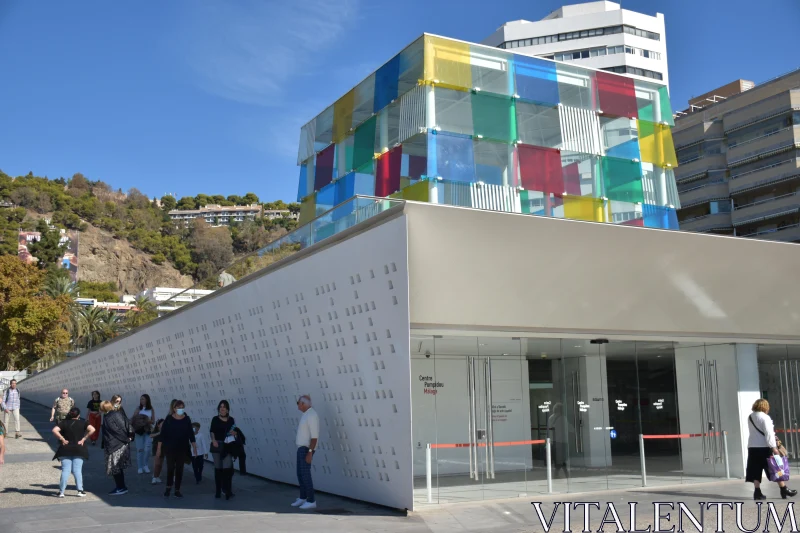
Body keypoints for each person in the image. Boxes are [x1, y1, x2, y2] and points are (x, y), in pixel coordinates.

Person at [747, 398, 798, 500]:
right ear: (765, 406)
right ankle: (783, 489)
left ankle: (757, 492)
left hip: (753, 447)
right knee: (775, 468)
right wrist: (774, 448)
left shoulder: (750, 417)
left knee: (755, 470)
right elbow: (769, 434)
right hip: (765, 447)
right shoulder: (765, 418)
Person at [157, 400, 197, 498]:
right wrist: (159, 449)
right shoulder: (169, 419)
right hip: (170, 448)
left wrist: (194, 447)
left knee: (180, 469)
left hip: (182, 448)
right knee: (170, 468)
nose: (180, 409)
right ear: (174, 409)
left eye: (182, 407)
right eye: (178, 407)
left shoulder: (186, 419)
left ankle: (177, 489)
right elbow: (162, 435)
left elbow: (191, 434)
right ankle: (168, 487)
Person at [52, 407, 95, 498]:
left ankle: (61, 492)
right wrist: (84, 439)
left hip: (65, 449)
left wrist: (62, 439)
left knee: (65, 470)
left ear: (70, 414)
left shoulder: (63, 423)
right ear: (78, 415)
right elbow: (92, 429)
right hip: (78, 449)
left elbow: (54, 430)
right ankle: (80, 491)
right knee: (77, 471)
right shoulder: (83, 422)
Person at [291, 395, 319, 510]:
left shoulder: (312, 415)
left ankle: (311, 500)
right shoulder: (306, 415)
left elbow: (314, 437)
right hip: (301, 448)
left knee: (305, 475)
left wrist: (310, 452)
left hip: (306, 449)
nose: (297, 405)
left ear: (303, 403)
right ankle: (303, 497)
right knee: (300, 474)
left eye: (298, 403)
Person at [101, 396, 132, 496]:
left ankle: (121, 487)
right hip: (115, 444)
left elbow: (118, 430)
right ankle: (121, 487)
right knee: (117, 467)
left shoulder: (110, 416)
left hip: (116, 445)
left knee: (115, 467)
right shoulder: (109, 415)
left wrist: (127, 439)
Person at [209, 400, 237, 499]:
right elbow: (212, 431)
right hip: (217, 445)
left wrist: (234, 433)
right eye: (220, 407)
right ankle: (218, 490)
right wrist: (213, 440)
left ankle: (227, 490)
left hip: (228, 445)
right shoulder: (215, 419)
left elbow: (234, 431)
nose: (222, 408)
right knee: (218, 469)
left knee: (227, 469)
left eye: (224, 407)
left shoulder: (231, 420)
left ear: (227, 409)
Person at [132, 394, 155, 474]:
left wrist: (148, 421)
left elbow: (153, 421)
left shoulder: (151, 409)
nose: (142, 401)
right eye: (141, 399)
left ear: (147, 400)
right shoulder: (138, 409)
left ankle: (145, 464)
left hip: (148, 430)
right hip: (139, 431)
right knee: (140, 449)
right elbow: (133, 420)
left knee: (148, 448)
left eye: (143, 399)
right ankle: (140, 466)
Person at [150, 418, 165, 484]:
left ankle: (157, 476)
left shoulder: (166, 430)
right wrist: (159, 433)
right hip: (156, 448)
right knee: (157, 463)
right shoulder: (155, 430)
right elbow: (151, 435)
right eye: (162, 424)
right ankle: (154, 477)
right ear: (158, 425)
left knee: (160, 464)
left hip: (164, 448)